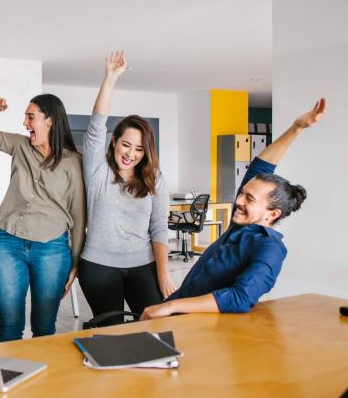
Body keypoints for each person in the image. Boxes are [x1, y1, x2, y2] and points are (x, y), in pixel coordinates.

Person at [140, 99, 326, 320]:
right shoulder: (239, 226)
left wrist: (171, 307)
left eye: (249, 198)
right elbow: (261, 166)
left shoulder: (270, 248)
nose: (239, 201)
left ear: (272, 213)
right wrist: (296, 128)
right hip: (177, 315)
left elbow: (240, 297)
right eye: (241, 193)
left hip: (200, 328)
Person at [0, 94, 86, 342]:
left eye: (30, 117)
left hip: (52, 249)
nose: (24, 123)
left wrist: (75, 264)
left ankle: (41, 380)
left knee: (44, 329)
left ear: (50, 121)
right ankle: (8, 378)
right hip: (9, 244)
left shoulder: (74, 163)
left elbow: (78, 216)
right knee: (9, 326)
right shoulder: (19, 145)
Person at [77, 52, 175, 326]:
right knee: (112, 334)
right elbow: (96, 127)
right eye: (126, 144)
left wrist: (163, 273)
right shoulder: (97, 170)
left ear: (146, 152)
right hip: (98, 267)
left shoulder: (155, 178)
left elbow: (159, 227)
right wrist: (110, 79)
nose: (130, 153)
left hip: (143, 264)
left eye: (139, 148)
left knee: (158, 325)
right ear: (114, 143)